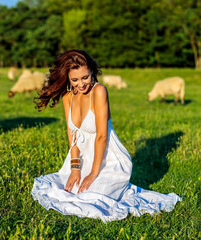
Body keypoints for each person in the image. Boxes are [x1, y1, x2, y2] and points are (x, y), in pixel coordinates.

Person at [31, 49, 181, 222]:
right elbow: (71, 133)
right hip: (81, 158)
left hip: (108, 159)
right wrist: (74, 169)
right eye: (75, 80)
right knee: (66, 190)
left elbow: (101, 136)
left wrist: (94, 173)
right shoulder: (67, 98)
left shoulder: (99, 91)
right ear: (68, 78)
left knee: (92, 196)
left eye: (85, 77)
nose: (81, 84)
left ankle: (111, 182)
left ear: (92, 72)